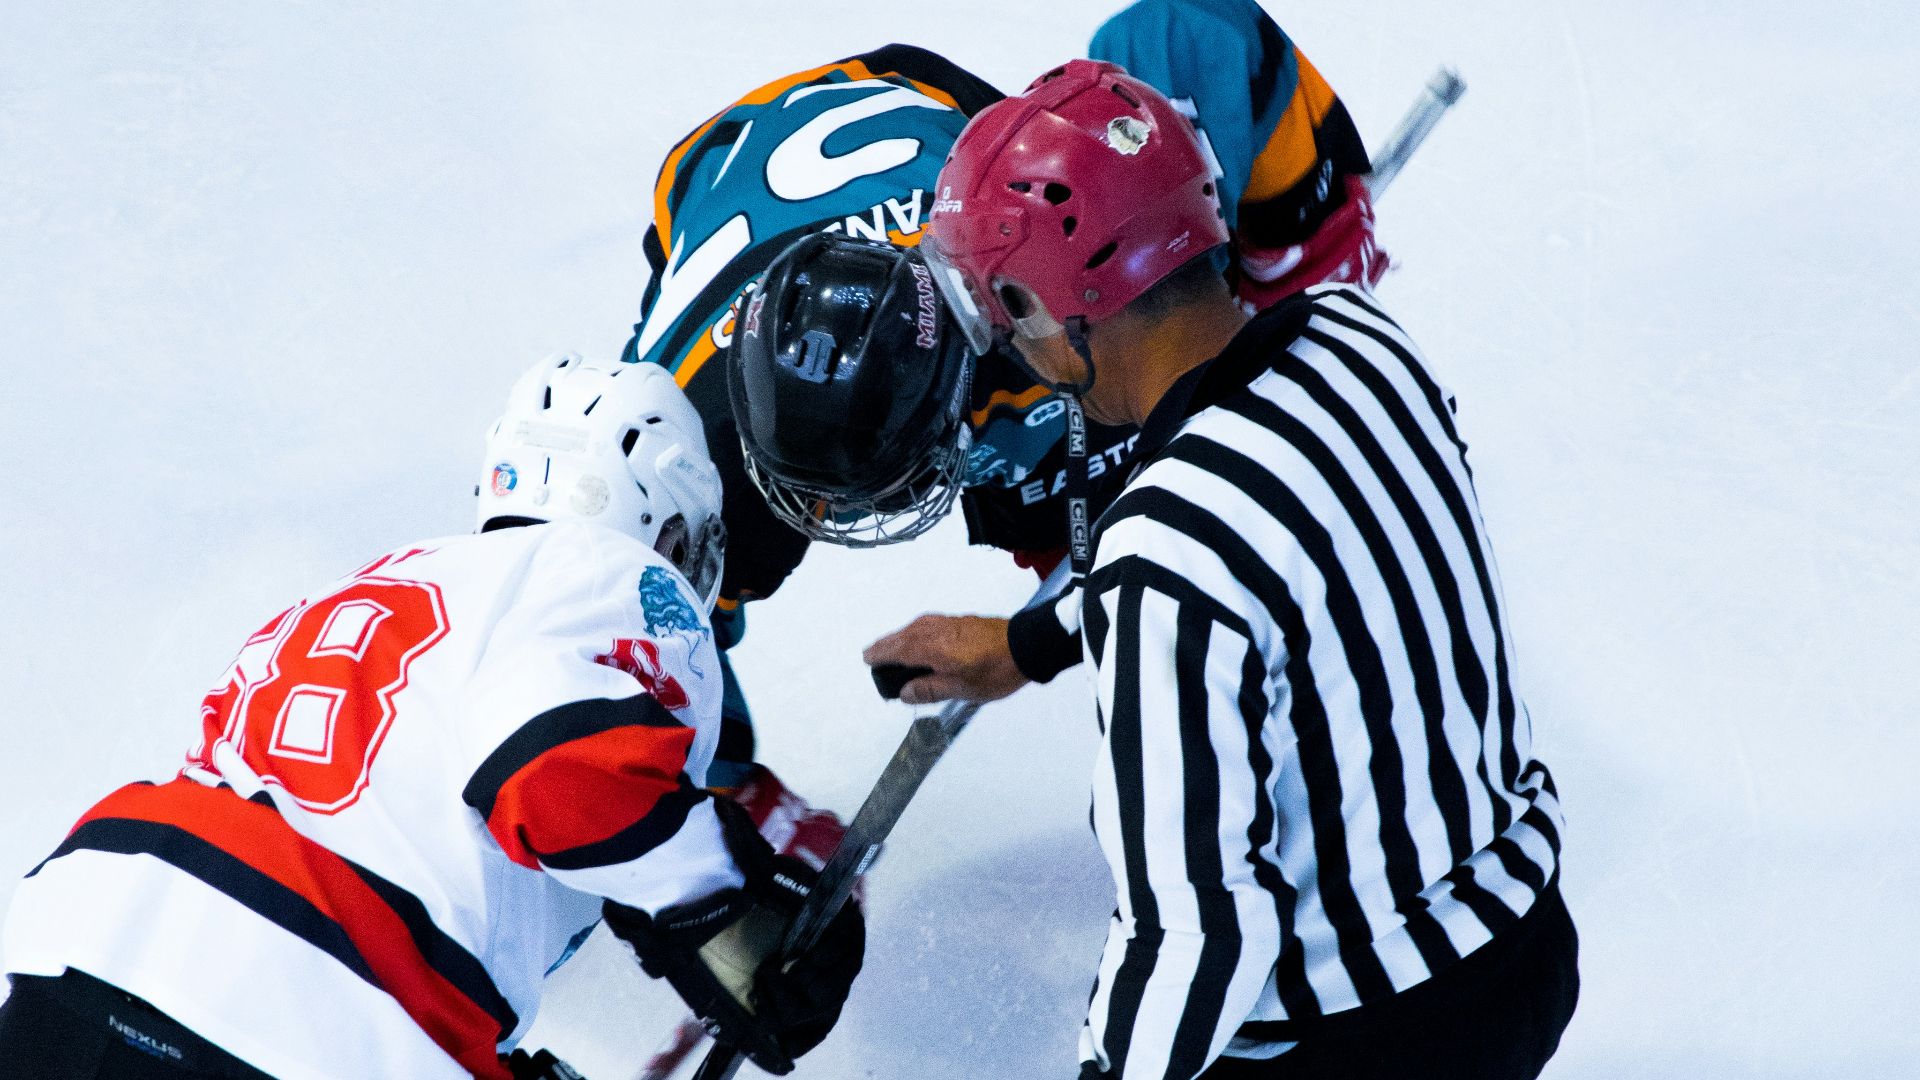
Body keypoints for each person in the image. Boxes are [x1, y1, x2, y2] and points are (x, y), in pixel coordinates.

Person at [903, 61, 1578, 1079]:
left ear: (1049, 302)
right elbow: (1288, 568)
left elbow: (1196, 936)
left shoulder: (1161, 557)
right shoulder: (1363, 342)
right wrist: (1030, 643)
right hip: (1525, 937)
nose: (1013, 347)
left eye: (1008, 314)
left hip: (1369, 1033)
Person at [0, 356, 862, 1079]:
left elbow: (387, 840)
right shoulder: (609, 578)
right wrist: (723, 895)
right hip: (289, 1020)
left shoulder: (389, 583)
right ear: (663, 520)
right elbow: (551, 768)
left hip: (76, 950)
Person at [626, 0, 1383, 763]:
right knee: (657, 576)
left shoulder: (1047, 312)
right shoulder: (680, 452)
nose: (841, 513)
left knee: (1190, 388)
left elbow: (1194, 28)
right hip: (733, 174)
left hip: (923, 129)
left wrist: (1289, 252)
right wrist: (735, 811)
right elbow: (635, 640)